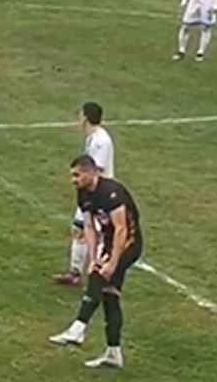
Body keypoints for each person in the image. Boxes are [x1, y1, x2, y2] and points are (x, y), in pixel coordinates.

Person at [48, 154, 143, 370]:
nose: (73, 180)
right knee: (109, 294)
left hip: (129, 242)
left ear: (91, 173)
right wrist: (94, 258)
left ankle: (78, 328)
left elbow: (122, 230)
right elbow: (90, 227)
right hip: (109, 241)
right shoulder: (83, 193)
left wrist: (111, 262)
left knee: (100, 277)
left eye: (77, 175)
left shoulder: (111, 193)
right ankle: (113, 353)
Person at [53, 102, 115, 286]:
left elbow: (96, 170)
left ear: (86, 117)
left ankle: (100, 274)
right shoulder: (93, 138)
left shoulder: (101, 141)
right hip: (88, 191)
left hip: (100, 194)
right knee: (79, 230)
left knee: (98, 235)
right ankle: (75, 272)